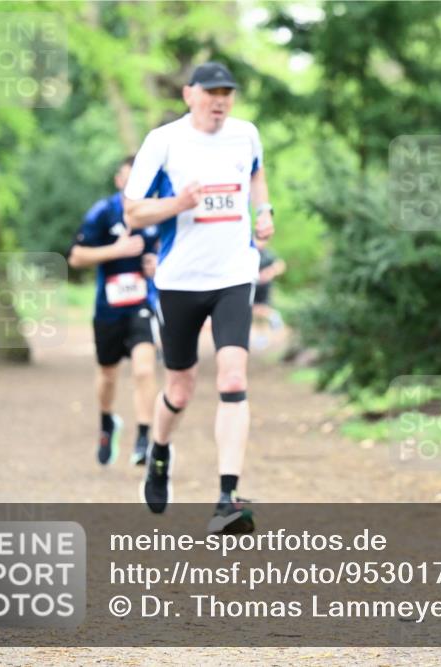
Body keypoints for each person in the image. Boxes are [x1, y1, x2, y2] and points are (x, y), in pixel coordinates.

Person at [122, 61, 274, 535]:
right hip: (179, 281)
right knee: (181, 387)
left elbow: (256, 176)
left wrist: (264, 210)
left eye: (227, 92)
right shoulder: (163, 142)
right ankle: (160, 452)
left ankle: (228, 497)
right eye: (211, 92)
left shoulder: (246, 134)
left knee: (233, 376)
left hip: (233, 274)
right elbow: (133, 213)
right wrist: (177, 205)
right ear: (190, 94)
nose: (220, 100)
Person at [68, 156, 160, 467]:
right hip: (108, 309)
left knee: (144, 370)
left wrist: (157, 265)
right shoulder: (103, 212)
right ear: (119, 181)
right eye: (129, 178)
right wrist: (116, 251)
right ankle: (107, 422)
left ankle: (145, 437)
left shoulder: (156, 215)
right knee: (108, 374)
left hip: (142, 305)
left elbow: (170, 253)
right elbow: (76, 256)